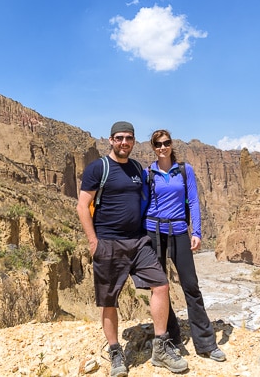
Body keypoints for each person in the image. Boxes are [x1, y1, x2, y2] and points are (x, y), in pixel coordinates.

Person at [76, 121, 188, 377]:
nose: (124, 142)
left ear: (133, 141)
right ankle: (116, 352)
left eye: (128, 138)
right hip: (108, 242)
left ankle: (160, 348)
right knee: (109, 300)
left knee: (160, 285)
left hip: (138, 241)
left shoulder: (138, 168)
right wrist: (93, 242)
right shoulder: (98, 168)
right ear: (111, 140)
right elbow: (83, 206)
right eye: (119, 138)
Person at [143, 129, 227, 362]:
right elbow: (141, 203)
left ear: (171, 144)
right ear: (153, 147)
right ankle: (171, 339)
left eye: (166, 143)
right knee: (160, 288)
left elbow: (194, 202)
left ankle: (206, 343)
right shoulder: (148, 172)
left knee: (191, 286)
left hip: (179, 230)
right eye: (158, 144)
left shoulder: (184, 170)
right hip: (154, 232)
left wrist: (197, 232)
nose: (162, 147)